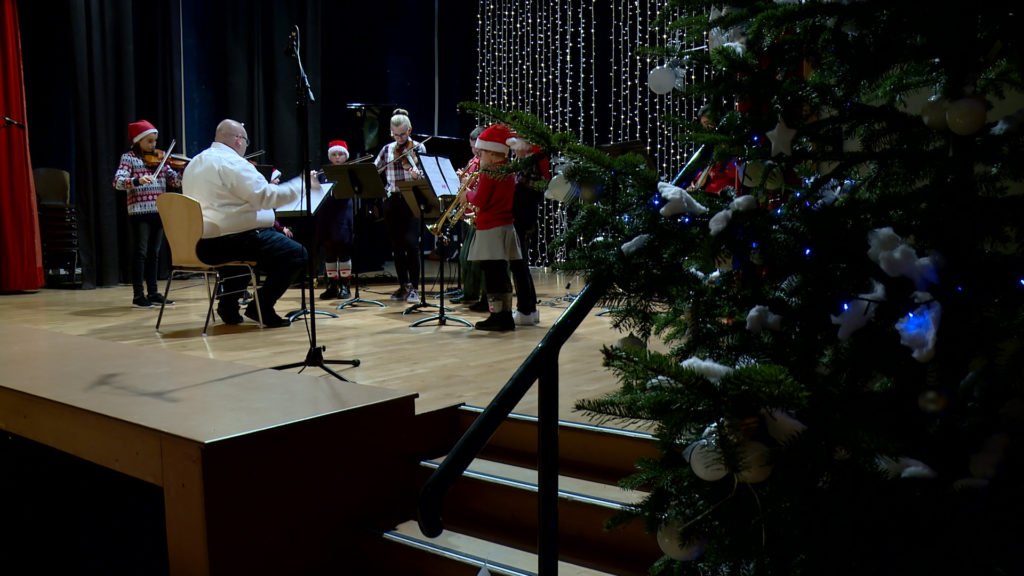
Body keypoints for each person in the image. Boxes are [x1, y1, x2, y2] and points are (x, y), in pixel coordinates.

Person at [181, 119, 313, 328]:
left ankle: (229, 305)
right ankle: (261, 306)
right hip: (233, 241)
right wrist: (302, 185)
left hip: (202, 244)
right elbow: (266, 197)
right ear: (238, 140)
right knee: (297, 254)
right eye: (245, 140)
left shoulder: (195, 162)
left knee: (246, 246)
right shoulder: (232, 163)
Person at [113, 119, 181, 308]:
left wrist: (185, 170)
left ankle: (153, 292)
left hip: (159, 211)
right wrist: (137, 180)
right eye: (149, 141)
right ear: (138, 141)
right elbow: (118, 182)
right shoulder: (129, 158)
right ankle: (137, 295)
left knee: (154, 253)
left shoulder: (161, 160)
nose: (154, 145)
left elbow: (174, 182)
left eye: (155, 141)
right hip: (139, 211)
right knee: (141, 252)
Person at [466, 124, 524, 332]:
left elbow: (480, 199)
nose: (479, 155)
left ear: (492, 152)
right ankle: (506, 315)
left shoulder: (490, 172)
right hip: (505, 227)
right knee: (501, 274)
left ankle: (496, 315)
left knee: (492, 277)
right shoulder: (508, 171)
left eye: (482, 151)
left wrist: (466, 192)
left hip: (491, 228)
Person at [374, 108, 427, 304]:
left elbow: (423, 174)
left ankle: (414, 287)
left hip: (411, 199)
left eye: (403, 134)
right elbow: (375, 168)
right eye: (395, 134)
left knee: (411, 244)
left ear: (410, 130)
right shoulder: (388, 149)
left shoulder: (418, 148)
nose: (399, 138)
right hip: (392, 199)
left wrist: (415, 173)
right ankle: (403, 285)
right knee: (396, 246)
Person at [507, 137, 549, 326]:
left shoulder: (530, 165)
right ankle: (529, 308)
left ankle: (525, 309)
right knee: (521, 264)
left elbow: (521, 192)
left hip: (522, 218)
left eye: (516, 148)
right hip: (527, 217)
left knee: (519, 264)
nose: (513, 152)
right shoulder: (533, 163)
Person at [451, 126, 488, 312]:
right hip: (469, 213)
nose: (475, 151)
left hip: (479, 214)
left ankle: (479, 295)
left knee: (472, 259)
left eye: (477, 147)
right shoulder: (473, 161)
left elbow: (480, 190)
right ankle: (470, 293)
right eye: (472, 147)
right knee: (466, 258)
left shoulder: (486, 164)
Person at [315, 139, 354, 300]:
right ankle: (332, 284)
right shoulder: (322, 173)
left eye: (340, 154)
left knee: (343, 248)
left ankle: (345, 285)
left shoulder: (350, 172)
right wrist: (313, 180)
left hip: (343, 213)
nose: (337, 157)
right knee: (329, 250)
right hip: (327, 213)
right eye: (334, 155)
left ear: (345, 157)